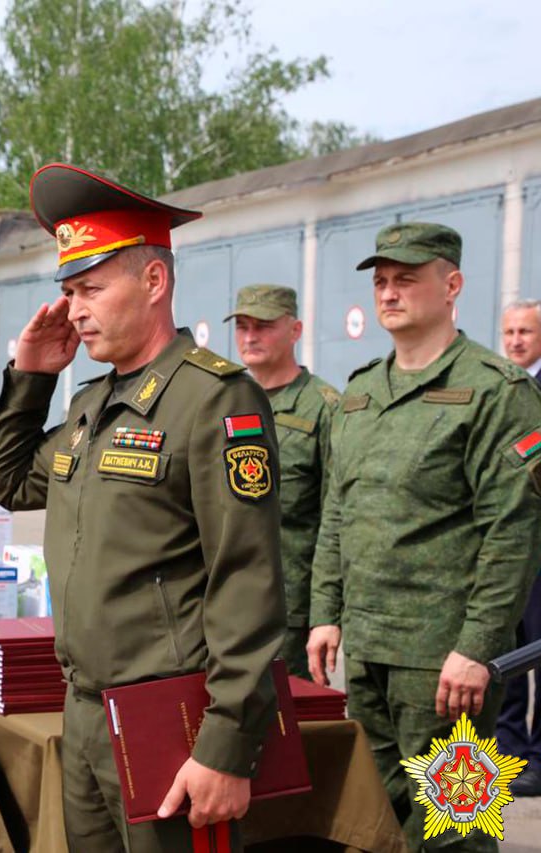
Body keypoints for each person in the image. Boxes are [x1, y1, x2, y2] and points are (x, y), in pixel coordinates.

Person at [0, 162, 286, 853]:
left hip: (170, 718)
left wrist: (226, 743)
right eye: (68, 291)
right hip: (87, 710)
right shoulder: (93, 405)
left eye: (90, 288)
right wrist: (31, 377)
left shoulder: (214, 399)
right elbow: (8, 481)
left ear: (154, 282)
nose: (74, 309)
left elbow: (247, 579)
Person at [308, 223, 541, 852]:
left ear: (452, 285)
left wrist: (478, 646)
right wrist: (325, 612)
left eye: (406, 278)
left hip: (447, 660)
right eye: (381, 281)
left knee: (456, 830)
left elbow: (513, 532)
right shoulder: (358, 393)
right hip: (370, 649)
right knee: (379, 821)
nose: (389, 292)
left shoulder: (497, 391)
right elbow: (338, 511)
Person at [225, 284, 338, 680]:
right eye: (242, 326)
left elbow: (335, 518)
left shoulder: (324, 407)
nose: (250, 336)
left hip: (289, 605)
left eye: (264, 326)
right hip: (224, 599)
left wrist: (327, 613)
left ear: (295, 330)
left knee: (290, 723)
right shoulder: (225, 399)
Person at [497, 299, 541, 796]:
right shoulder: (501, 390)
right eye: (509, 331)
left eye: (525, 330)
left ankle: (539, 757)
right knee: (505, 652)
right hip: (508, 548)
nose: (515, 340)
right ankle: (509, 750)